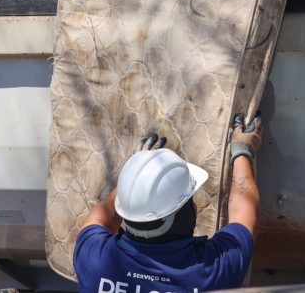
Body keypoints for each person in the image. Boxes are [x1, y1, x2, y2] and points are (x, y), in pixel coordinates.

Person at [72, 116, 262, 293]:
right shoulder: (214, 269)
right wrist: (242, 151)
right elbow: (244, 209)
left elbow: (103, 214)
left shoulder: (94, 258)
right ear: (180, 216)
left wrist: (138, 173)